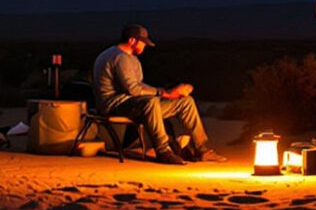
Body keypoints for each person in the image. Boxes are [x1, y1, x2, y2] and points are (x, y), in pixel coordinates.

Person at [92, 25, 223, 164]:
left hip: (135, 104)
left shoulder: (132, 59)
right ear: (132, 40)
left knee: (186, 102)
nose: (144, 46)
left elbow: (139, 86)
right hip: (114, 105)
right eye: (142, 42)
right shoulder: (119, 57)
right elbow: (133, 89)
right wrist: (164, 93)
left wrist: (173, 93)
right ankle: (163, 151)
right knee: (151, 102)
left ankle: (201, 149)